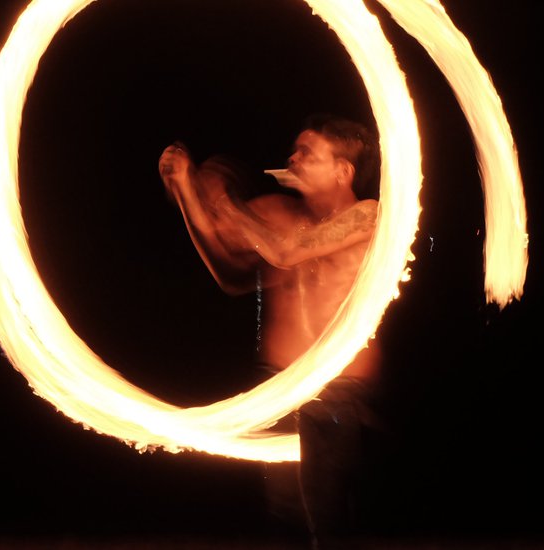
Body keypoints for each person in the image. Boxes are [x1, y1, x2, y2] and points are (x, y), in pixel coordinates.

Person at [157, 113, 384, 547]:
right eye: (294, 150)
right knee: (286, 518)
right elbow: (230, 273)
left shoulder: (365, 216)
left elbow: (284, 252)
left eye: (307, 153)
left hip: (339, 391)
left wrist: (226, 204)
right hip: (280, 387)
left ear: (342, 170)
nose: (293, 158)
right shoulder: (276, 213)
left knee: (328, 518)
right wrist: (186, 191)